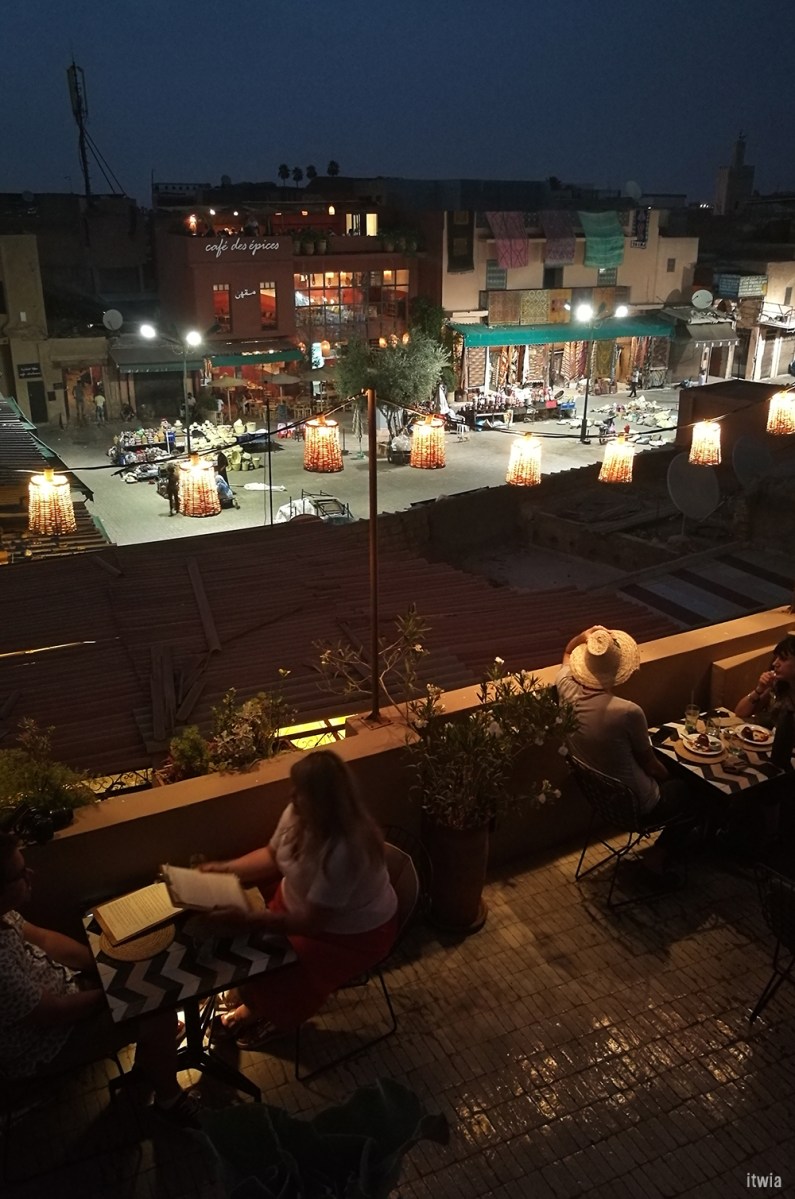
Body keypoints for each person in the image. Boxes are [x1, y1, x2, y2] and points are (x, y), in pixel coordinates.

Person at [199, 750, 398, 1050]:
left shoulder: (344, 850)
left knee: (285, 972)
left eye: (301, 791)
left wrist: (251, 919)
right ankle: (251, 994)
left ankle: (264, 1014)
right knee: (256, 947)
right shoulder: (298, 812)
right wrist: (225, 869)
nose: (292, 795)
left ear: (322, 803)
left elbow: (312, 923)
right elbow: (272, 856)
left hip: (347, 935)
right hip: (299, 907)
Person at [0, 833, 200, 1125]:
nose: (31, 874)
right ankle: (169, 1099)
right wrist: (116, 989)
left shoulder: (4, 915)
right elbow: (55, 1012)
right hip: (46, 1044)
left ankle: (152, 1058)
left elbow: (45, 940)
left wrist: (106, 965)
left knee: (145, 984)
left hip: (65, 993)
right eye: (20, 874)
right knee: (156, 1007)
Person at [557, 625, 700, 877]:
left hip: (601, 798)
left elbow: (567, 652)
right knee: (696, 788)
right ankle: (658, 857)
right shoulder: (627, 711)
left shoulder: (566, 689)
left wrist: (584, 636)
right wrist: (670, 778)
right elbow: (651, 766)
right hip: (639, 805)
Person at [734, 633, 795, 727]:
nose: (775, 663)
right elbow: (740, 713)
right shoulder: (778, 684)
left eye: (783, 659)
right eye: (776, 657)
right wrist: (759, 689)